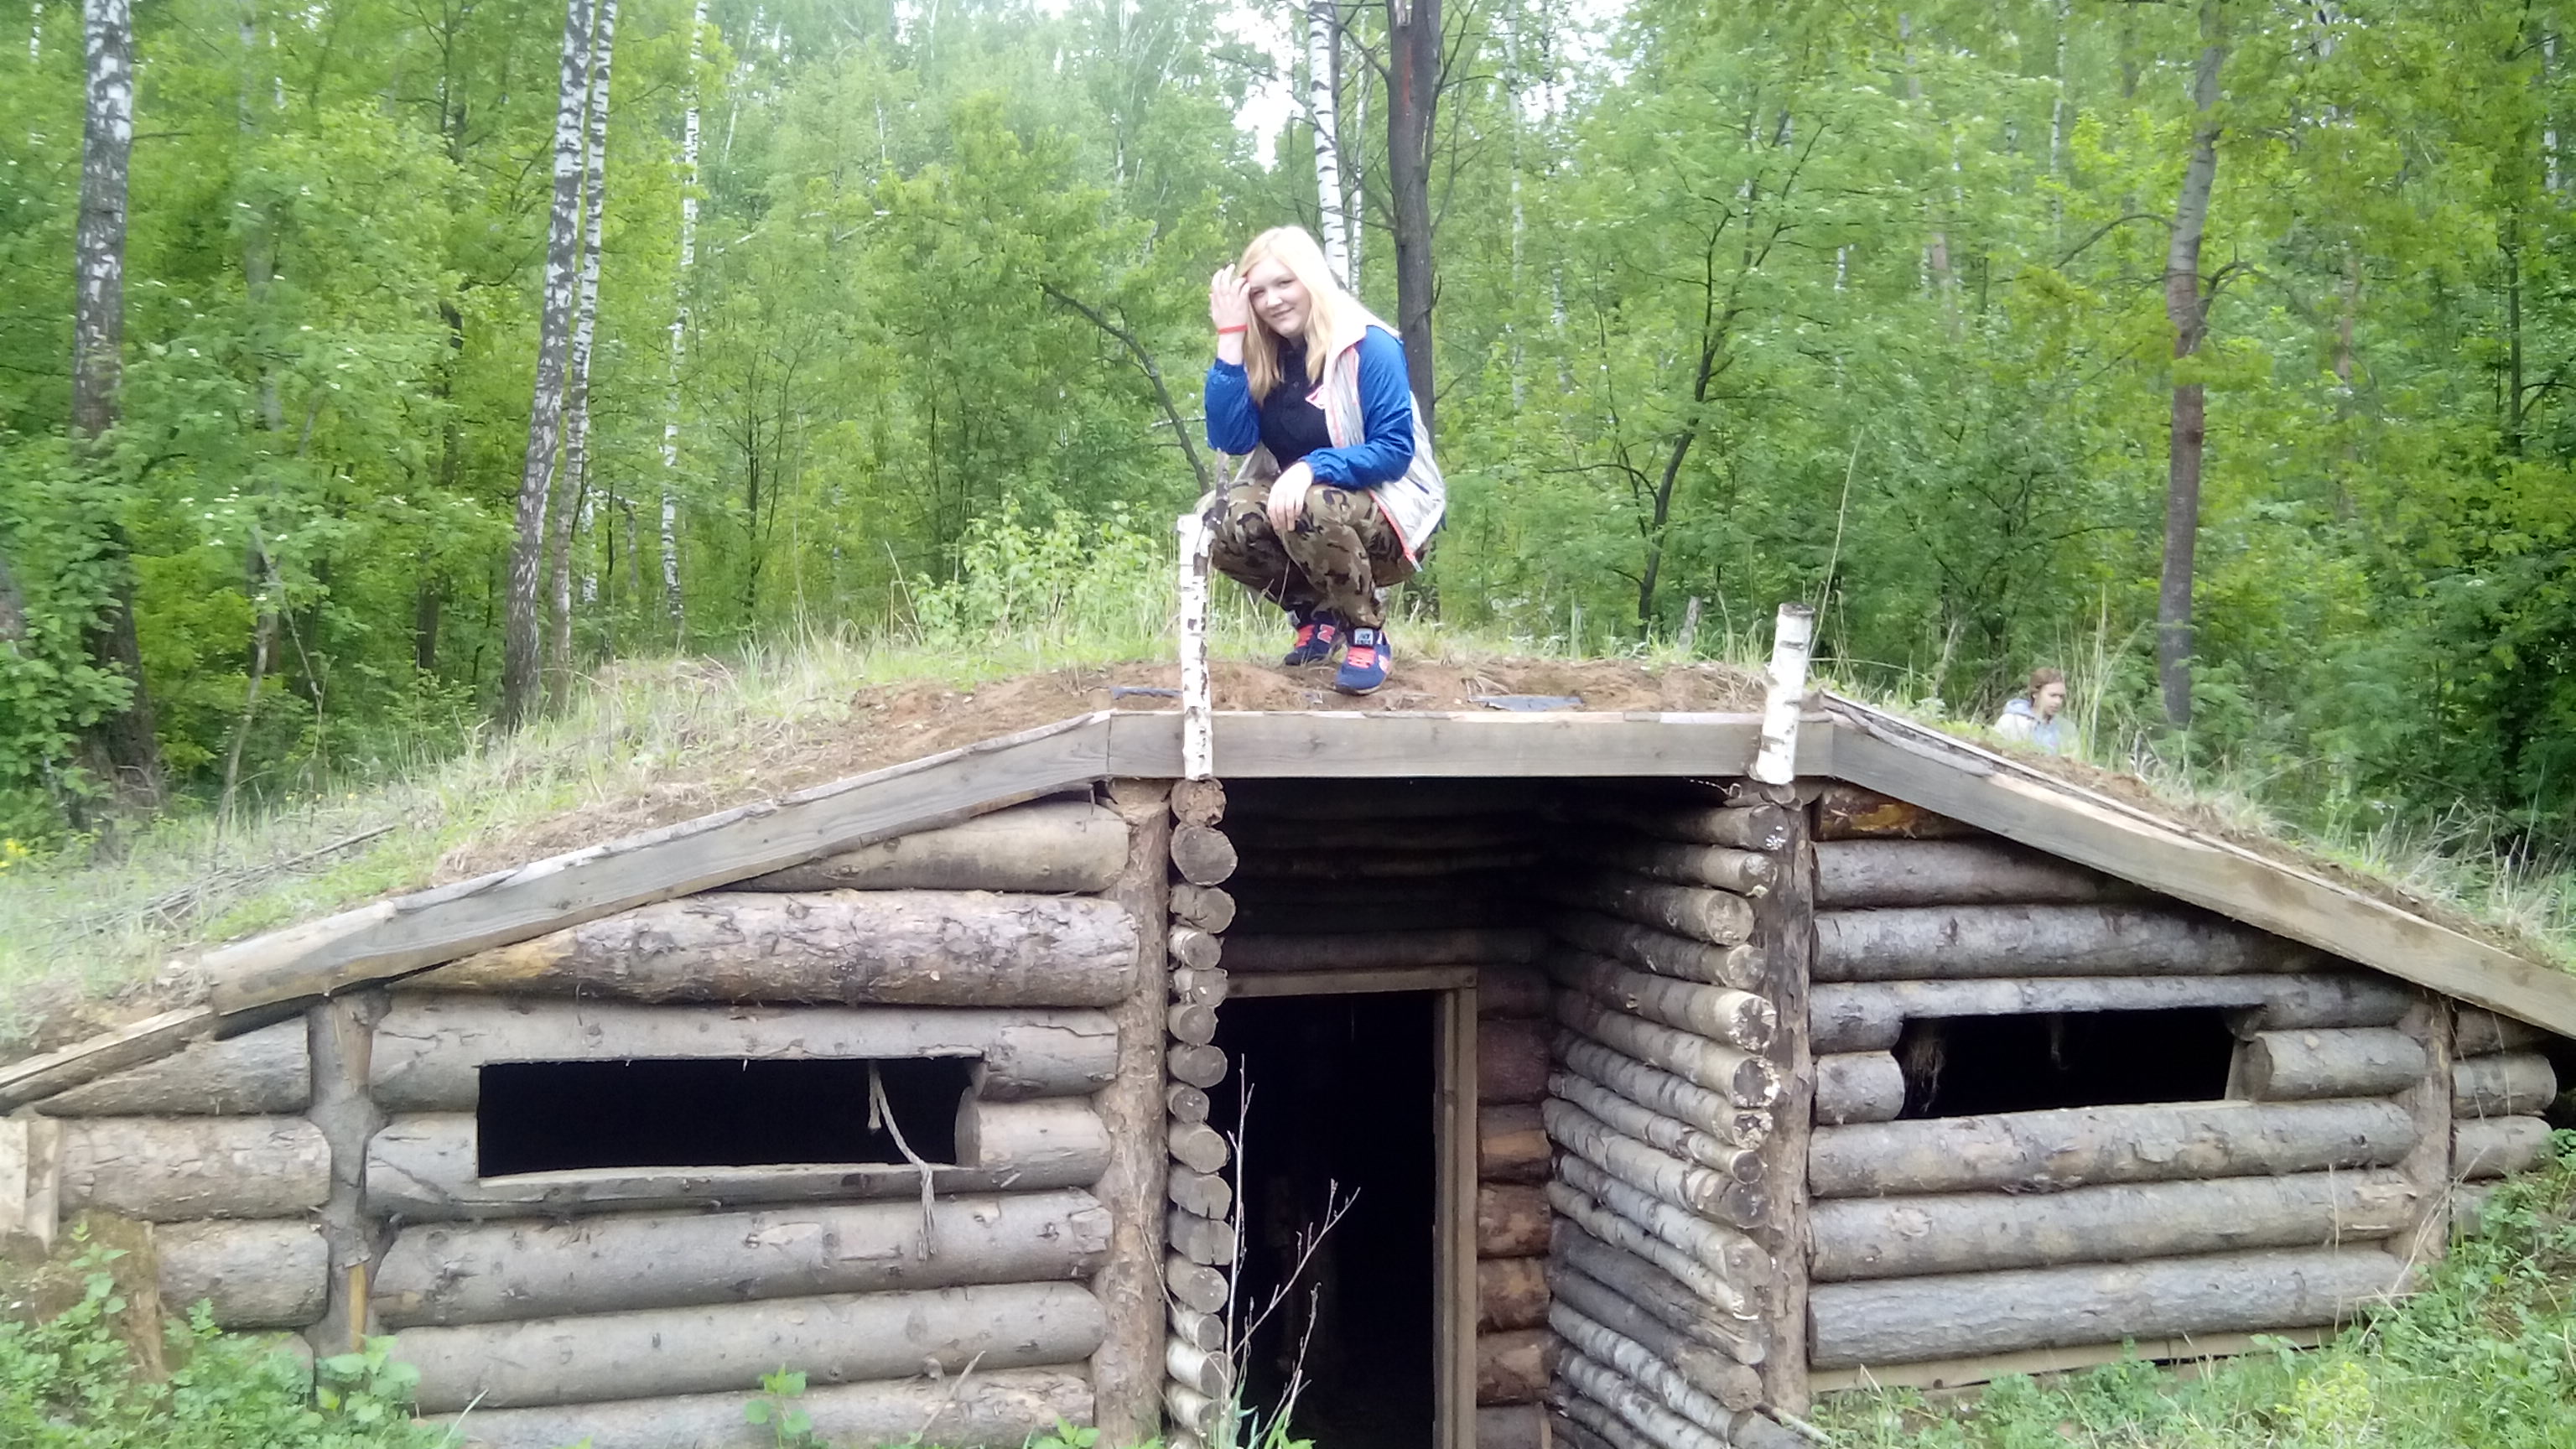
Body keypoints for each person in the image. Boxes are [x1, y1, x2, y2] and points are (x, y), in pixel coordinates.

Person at [1202, 226, 1444, 695]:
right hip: (1305, 516)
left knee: (1312, 502)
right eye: (1258, 292)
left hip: (1390, 523)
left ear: (1311, 279)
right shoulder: (1265, 356)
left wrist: (1312, 467)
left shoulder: (1369, 345)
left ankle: (1365, 631)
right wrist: (1230, 340)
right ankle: (1315, 614)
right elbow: (1232, 439)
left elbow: (1394, 450)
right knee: (1217, 516)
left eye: (1284, 283)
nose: (1273, 301)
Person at [1994, 667, 2072, 753]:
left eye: (2061, 697)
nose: (2058, 702)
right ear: (2035, 694)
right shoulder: (2011, 722)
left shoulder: (2066, 729)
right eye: (2052, 695)